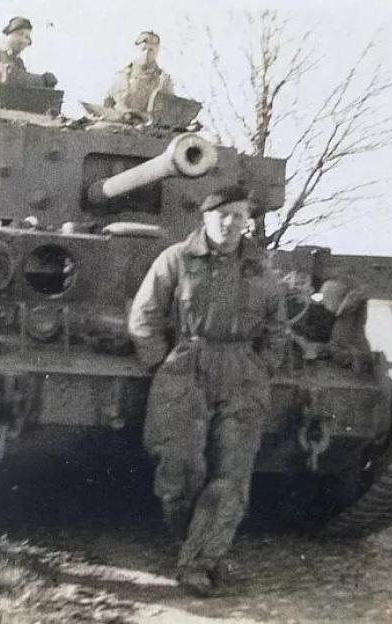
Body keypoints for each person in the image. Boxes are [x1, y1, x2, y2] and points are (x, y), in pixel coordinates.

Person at [128, 184, 287, 596]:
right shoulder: (176, 259)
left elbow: (276, 326)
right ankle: (192, 540)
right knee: (179, 469)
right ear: (205, 217)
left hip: (242, 372)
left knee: (232, 473)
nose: (230, 223)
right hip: (186, 366)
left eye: (238, 216)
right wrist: (162, 364)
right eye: (222, 215)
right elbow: (144, 316)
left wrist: (260, 367)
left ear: (246, 221)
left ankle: (200, 561)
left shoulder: (260, 269)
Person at [0, 17, 58, 106]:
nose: (23, 40)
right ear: (7, 35)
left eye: (27, 37)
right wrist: (42, 80)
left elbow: (24, 88)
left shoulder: (18, 63)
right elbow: (8, 77)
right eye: (19, 34)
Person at [103, 31, 174, 116]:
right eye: (143, 49)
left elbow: (169, 111)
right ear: (135, 50)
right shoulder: (121, 76)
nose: (146, 53)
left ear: (157, 52)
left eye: (151, 50)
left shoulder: (163, 80)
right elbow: (106, 107)